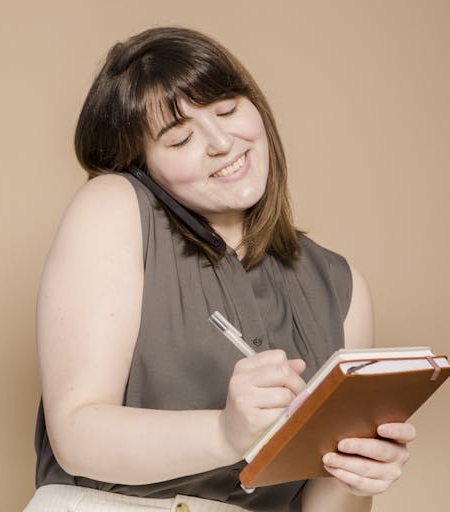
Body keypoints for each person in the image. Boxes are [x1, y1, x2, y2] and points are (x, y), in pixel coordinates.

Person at [25, 27, 415, 512]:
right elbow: (76, 433)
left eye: (227, 110)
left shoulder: (341, 286)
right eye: (180, 138)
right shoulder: (112, 207)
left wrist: (358, 478)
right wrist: (223, 432)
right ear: (141, 165)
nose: (221, 142)